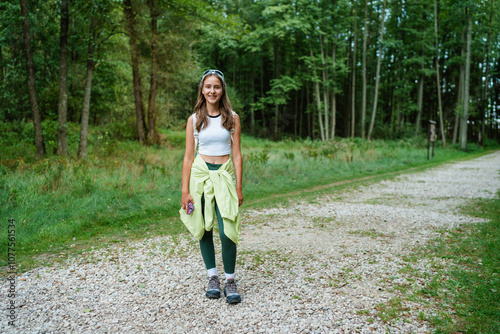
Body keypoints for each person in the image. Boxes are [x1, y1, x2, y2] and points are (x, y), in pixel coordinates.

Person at [179, 69, 243, 304]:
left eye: (216, 86)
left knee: (228, 231)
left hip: (224, 177)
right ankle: (212, 277)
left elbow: (237, 156)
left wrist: (239, 187)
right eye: (208, 86)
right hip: (201, 176)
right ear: (202, 90)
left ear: (222, 89)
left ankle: (230, 279)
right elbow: (188, 157)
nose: (212, 91)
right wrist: (185, 191)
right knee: (204, 227)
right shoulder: (194, 119)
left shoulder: (232, 118)